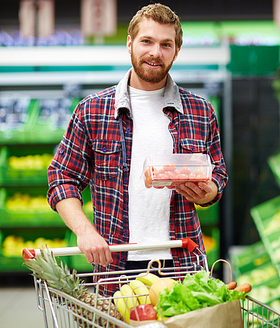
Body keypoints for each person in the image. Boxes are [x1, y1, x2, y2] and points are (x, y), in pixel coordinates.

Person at [47, 3, 228, 296]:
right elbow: (62, 177)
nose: (155, 52)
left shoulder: (200, 111)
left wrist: (209, 192)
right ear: (130, 44)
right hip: (116, 264)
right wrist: (85, 231)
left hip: (183, 263)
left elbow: (218, 173)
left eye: (165, 44)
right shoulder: (93, 110)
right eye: (147, 41)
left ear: (176, 51)